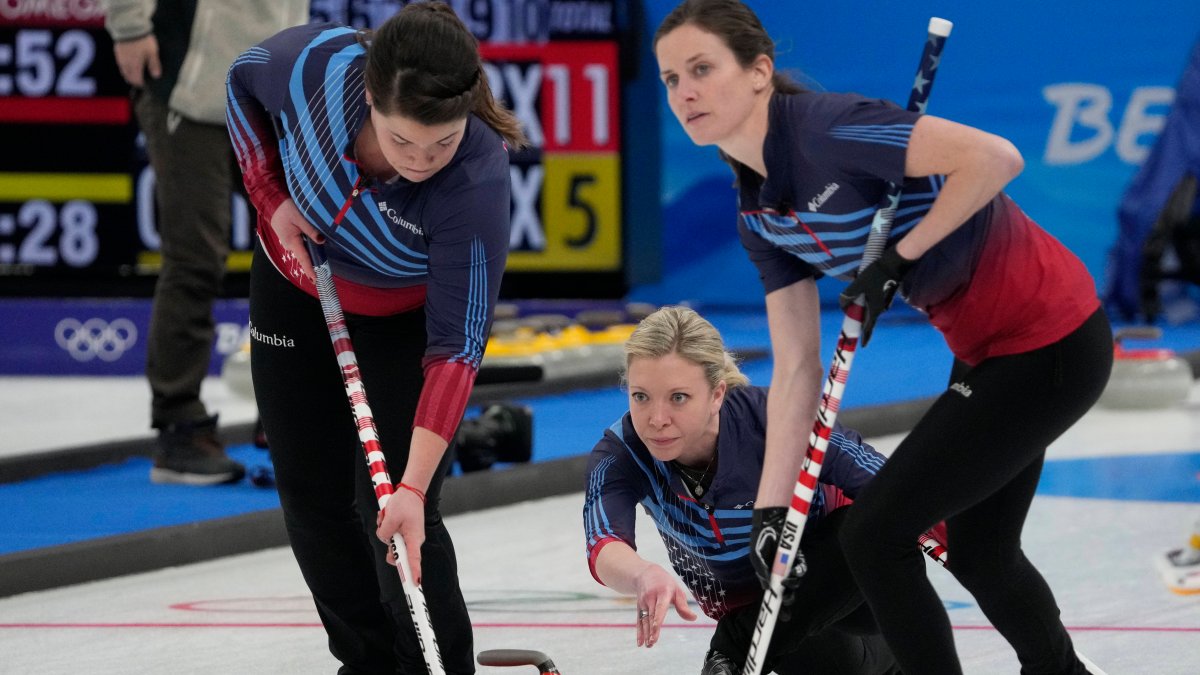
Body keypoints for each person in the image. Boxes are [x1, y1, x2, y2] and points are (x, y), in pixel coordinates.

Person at [653, 2, 1113, 674]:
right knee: (981, 550)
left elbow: (994, 158)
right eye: (670, 79)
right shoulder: (760, 215)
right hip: (990, 350)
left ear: (758, 72)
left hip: (1051, 338)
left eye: (701, 69)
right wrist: (772, 509)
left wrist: (898, 258)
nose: (684, 91)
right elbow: (798, 367)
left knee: (876, 535)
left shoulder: (828, 129)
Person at [226, 3, 526, 672]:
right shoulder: (312, 68)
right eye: (401, 141)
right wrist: (269, 194)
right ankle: (364, 661)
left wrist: (415, 489)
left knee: (392, 505)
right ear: (368, 98)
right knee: (309, 491)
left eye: (440, 143)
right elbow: (240, 84)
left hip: (402, 319)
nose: (420, 162)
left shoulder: (474, 178)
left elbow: (456, 348)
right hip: (294, 285)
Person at [584, 306, 907, 675]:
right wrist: (641, 573)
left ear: (717, 394)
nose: (657, 420)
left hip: (851, 590)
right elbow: (604, 541)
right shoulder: (621, 453)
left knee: (867, 529)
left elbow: (888, 487)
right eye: (641, 397)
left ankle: (729, 651)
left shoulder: (776, 417)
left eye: (678, 398)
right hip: (767, 617)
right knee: (824, 661)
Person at [103, 0, 309, 484]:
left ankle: (291, 421)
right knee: (196, 260)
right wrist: (129, 26)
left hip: (269, 96)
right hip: (190, 87)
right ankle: (180, 428)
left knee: (300, 252)